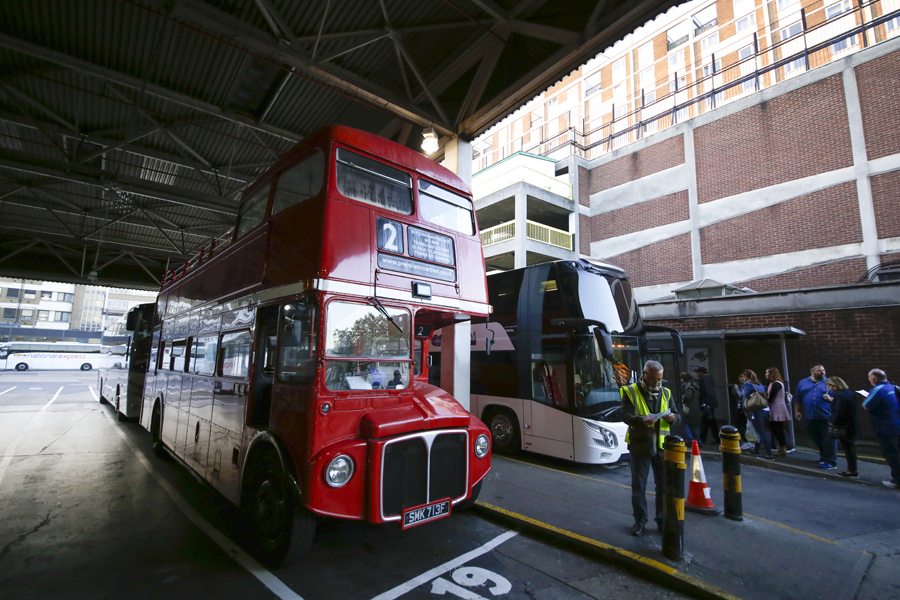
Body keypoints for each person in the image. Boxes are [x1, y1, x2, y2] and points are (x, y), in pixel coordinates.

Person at [621, 360, 680, 536]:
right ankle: (640, 522)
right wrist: (641, 421)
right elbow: (624, 414)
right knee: (639, 485)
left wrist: (672, 419)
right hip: (640, 445)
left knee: (662, 486)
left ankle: (661, 520)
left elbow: (677, 415)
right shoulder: (630, 391)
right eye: (654, 379)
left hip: (661, 447)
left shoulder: (666, 392)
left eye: (660, 379)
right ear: (644, 374)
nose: (657, 382)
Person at [862, 369, 900, 489]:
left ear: (875, 379)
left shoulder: (878, 389)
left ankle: (897, 480)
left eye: (869, 378)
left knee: (891, 454)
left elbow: (866, 405)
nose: (869, 380)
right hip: (896, 424)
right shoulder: (893, 387)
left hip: (885, 427)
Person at [794, 364, 837, 469]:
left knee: (828, 438)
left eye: (823, 371)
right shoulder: (803, 383)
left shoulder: (830, 383)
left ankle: (831, 461)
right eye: (819, 371)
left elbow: (838, 397)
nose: (822, 372)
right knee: (815, 436)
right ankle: (823, 456)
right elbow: (797, 398)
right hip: (809, 415)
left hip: (826, 415)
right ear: (812, 372)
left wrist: (830, 399)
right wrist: (796, 411)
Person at [823, 377, 859, 477]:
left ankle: (851, 471)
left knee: (848, 449)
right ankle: (852, 470)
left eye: (830, 386)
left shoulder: (840, 396)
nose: (830, 388)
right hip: (851, 424)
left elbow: (838, 411)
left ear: (835, 386)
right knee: (850, 449)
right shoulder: (849, 393)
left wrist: (832, 422)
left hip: (844, 427)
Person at [740, 369, 774, 460]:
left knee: (761, 432)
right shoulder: (760, 385)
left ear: (746, 377)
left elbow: (744, 397)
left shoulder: (747, 385)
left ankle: (769, 454)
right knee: (764, 430)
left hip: (756, 411)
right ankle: (756, 450)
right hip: (766, 409)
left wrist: (745, 410)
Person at [765, 367, 791, 458]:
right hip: (777, 407)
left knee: (777, 428)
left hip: (777, 408)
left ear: (772, 374)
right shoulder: (774, 383)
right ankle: (781, 447)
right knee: (777, 428)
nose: (766, 375)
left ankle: (782, 447)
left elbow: (771, 397)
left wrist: (765, 402)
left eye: (767, 373)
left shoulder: (776, 384)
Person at [694, 367, 719, 444]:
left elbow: (709, 393)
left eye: (698, 372)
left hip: (707, 404)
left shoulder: (705, 381)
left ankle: (703, 438)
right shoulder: (707, 380)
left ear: (701, 373)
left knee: (707, 421)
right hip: (709, 404)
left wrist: (707, 404)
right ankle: (711, 438)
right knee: (709, 422)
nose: (696, 374)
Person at [680, 372, 702, 446]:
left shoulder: (687, 386)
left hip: (688, 408)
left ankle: (690, 440)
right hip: (695, 408)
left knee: (685, 423)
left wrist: (682, 399)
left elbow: (687, 396)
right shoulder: (695, 385)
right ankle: (697, 440)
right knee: (694, 425)